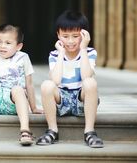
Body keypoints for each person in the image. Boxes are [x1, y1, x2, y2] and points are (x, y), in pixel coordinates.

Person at [36, 10, 104, 148]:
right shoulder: (54, 55)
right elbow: (55, 80)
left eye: (75, 36)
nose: (70, 41)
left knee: (91, 82)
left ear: (84, 35)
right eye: (65, 36)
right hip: (62, 102)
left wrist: (84, 48)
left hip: (81, 101)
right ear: (58, 35)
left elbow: (86, 76)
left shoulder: (90, 52)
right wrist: (61, 53)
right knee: (46, 85)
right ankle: (52, 130)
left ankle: (89, 131)